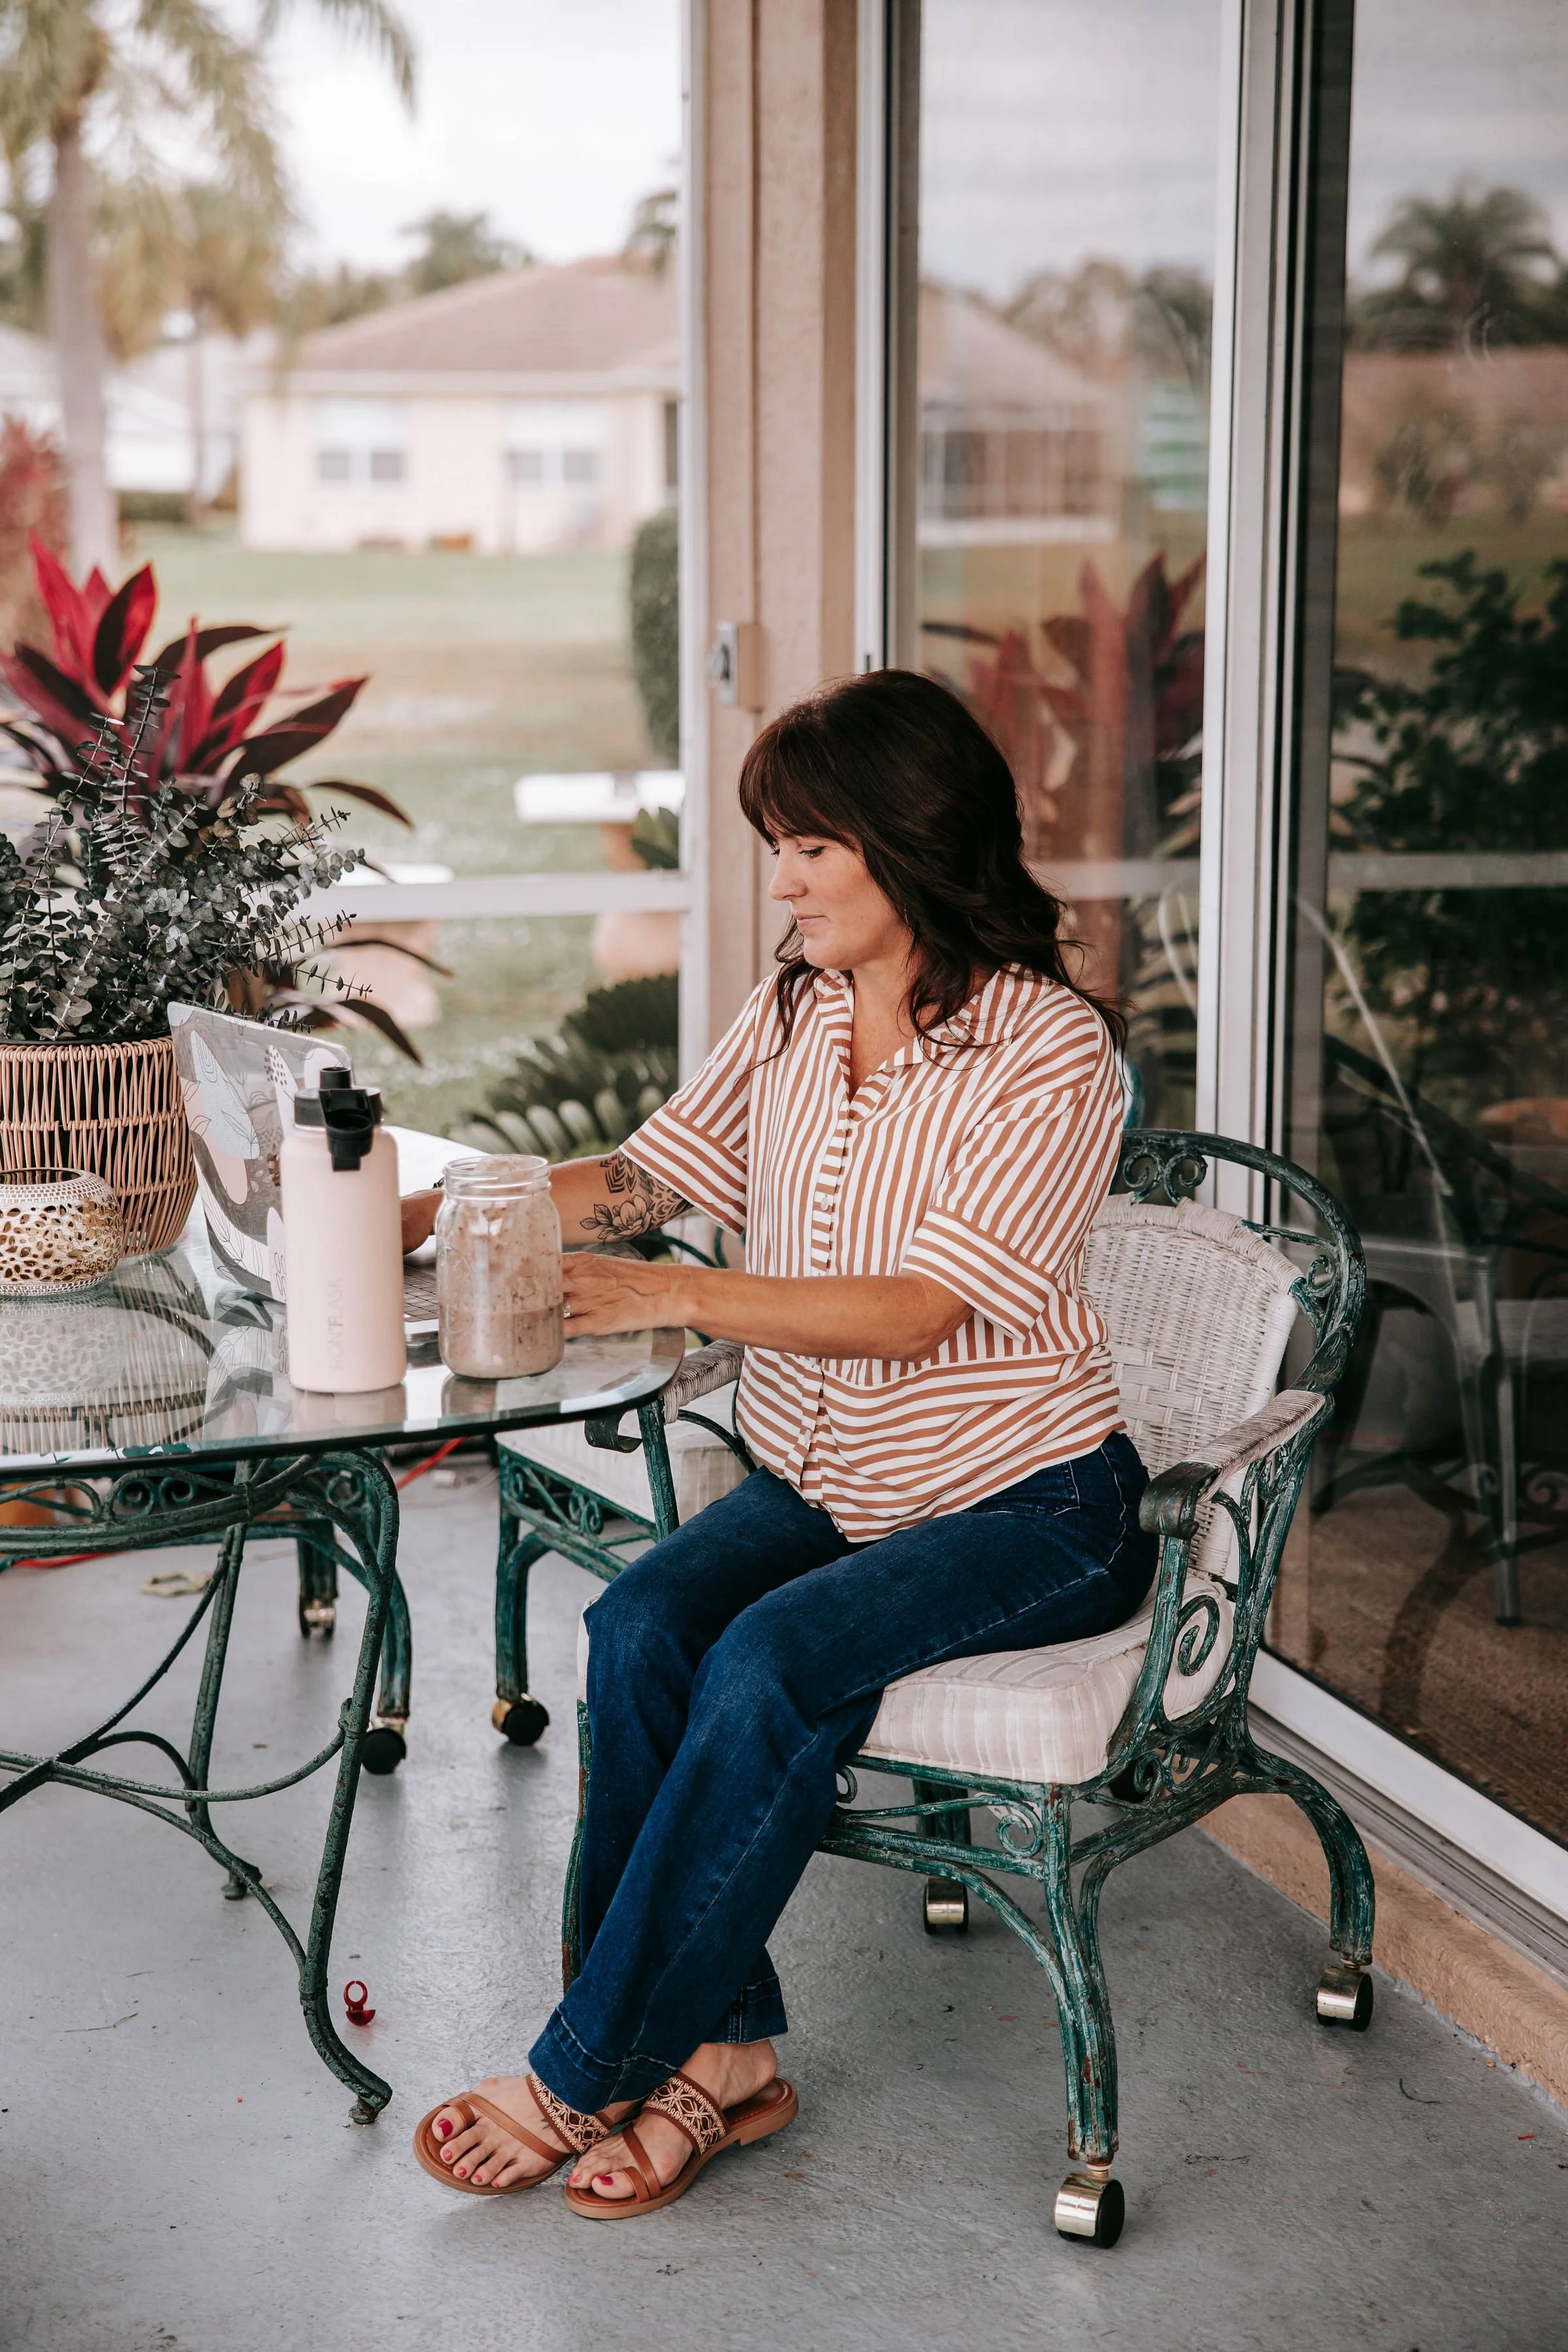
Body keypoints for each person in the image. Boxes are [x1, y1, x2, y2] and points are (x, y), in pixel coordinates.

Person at [406, 669, 1154, 2215]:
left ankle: (578, 2069)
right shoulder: (799, 1012)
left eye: (815, 845)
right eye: (780, 842)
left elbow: (912, 1311)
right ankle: (732, 2055)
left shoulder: (1049, 1054)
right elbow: (644, 1175)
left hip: (1030, 1507)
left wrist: (667, 1293)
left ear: (913, 842)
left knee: (764, 1663)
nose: (785, 877)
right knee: (638, 1627)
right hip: (838, 1484)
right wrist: (428, 1216)